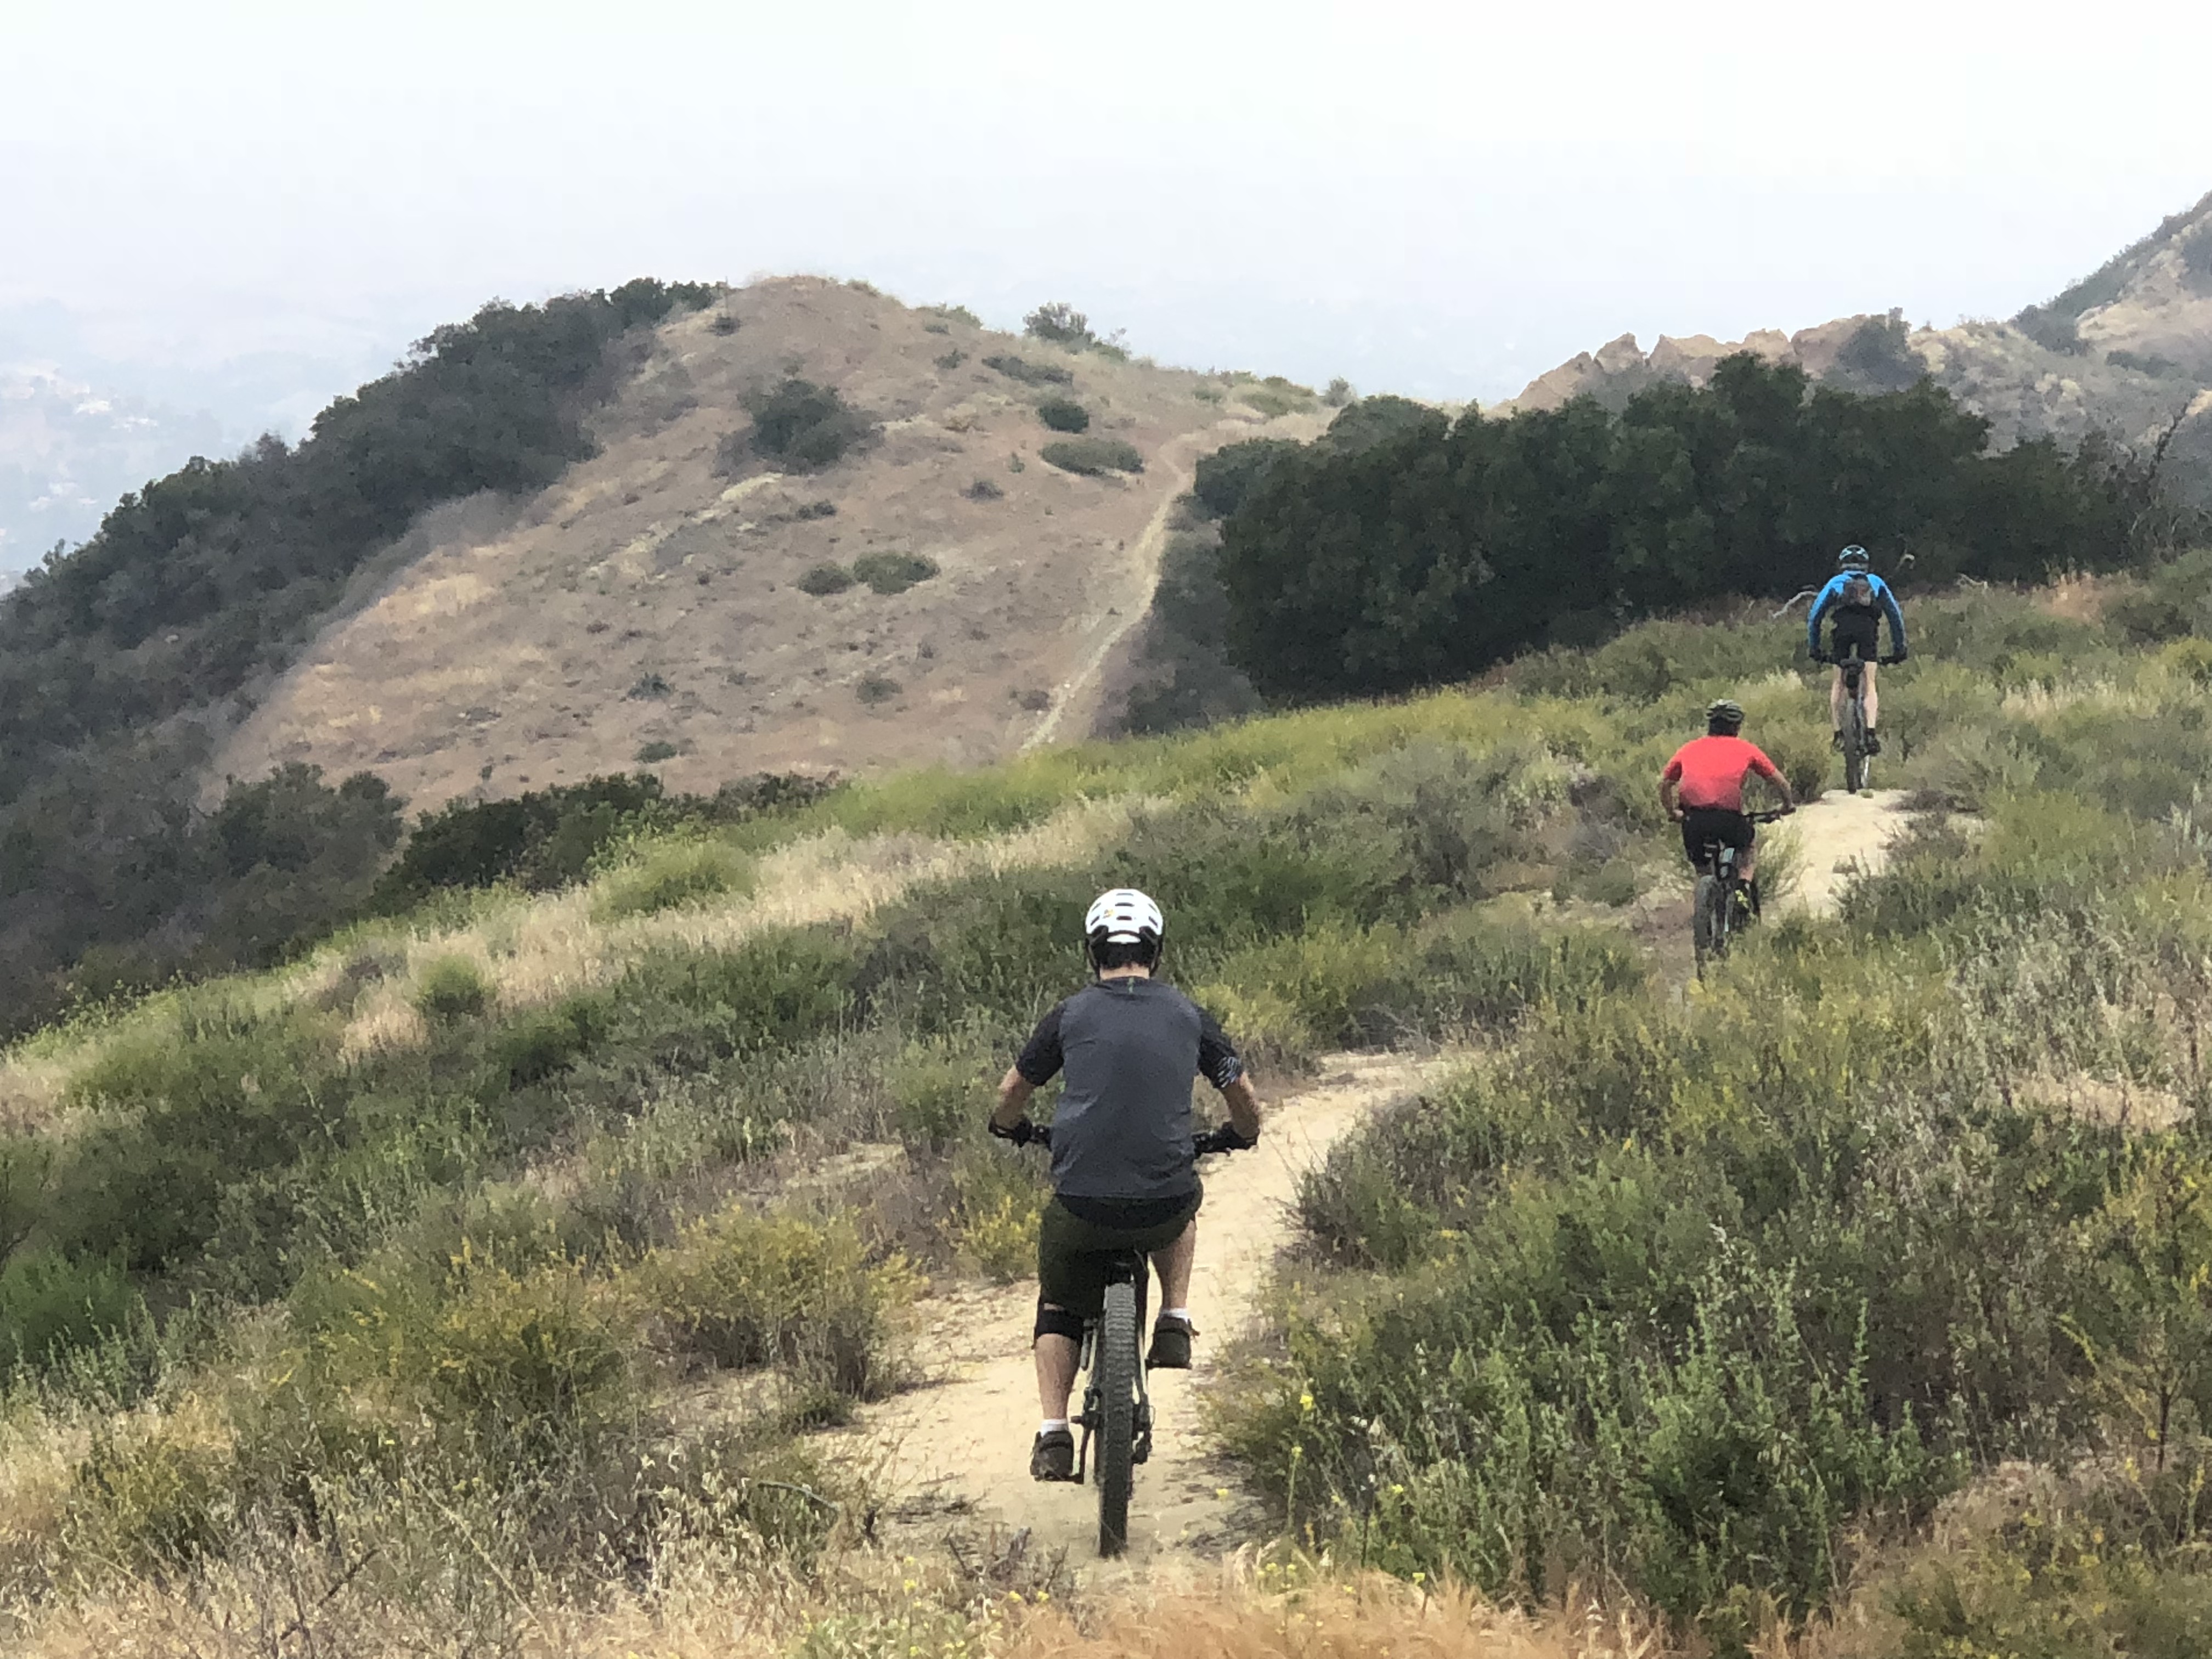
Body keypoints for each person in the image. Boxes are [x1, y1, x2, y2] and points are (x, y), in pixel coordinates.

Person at [988, 887, 1263, 1482]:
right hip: (1162, 1205)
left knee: (1058, 1303)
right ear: (1156, 951)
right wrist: (1243, 1134)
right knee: (1183, 1201)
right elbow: (1240, 1090)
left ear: (1093, 952)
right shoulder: (1190, 1015)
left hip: (1082, 1204)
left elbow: (1012, 1092)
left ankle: (1054, 1433)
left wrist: (1008, 1127)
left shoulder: (1069, 1015)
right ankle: (1174, 1317)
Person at [1658, 700, 1797, 916]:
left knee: (1702, 867)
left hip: (1693, 820)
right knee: (1747, 848)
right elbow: (1781, 783)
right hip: (1729, 819)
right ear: (1737, 726)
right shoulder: (1745, 749)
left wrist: (1672, 812)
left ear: (1710, 725)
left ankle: (1707, 902)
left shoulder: (1689, 748)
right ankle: (1743, 888)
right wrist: (1787, 805)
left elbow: (1664, 783)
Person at [1806, 544, 1908, 754]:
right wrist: (1899, 648)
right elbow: (1895, 616)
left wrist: (1814, 647)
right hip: (1867, 633)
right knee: (1869, 683)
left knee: (1838, 683)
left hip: (1842, 633)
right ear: (1866, 565)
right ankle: (1870, 733)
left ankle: (1838, 734)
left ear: (1842, 565)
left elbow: (1816, 615)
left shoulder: (1836, 582)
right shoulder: (1875, 582)